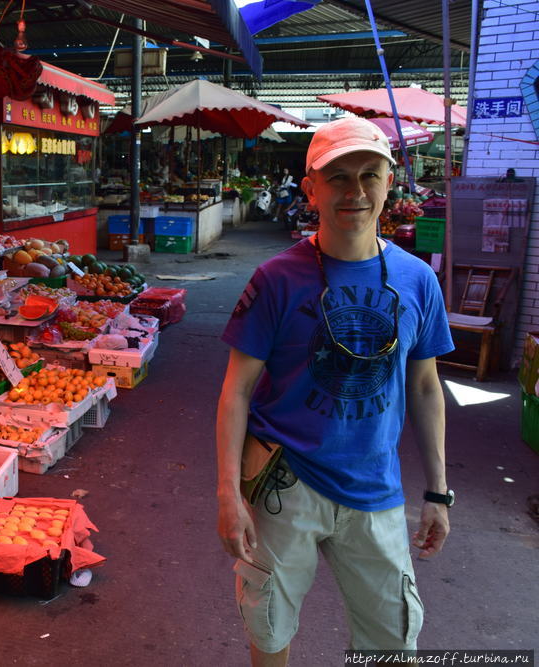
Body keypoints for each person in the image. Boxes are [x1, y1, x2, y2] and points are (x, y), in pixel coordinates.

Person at [215, 116, 454, 665]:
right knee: (269, 625)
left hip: (376, 488)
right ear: (311, 190)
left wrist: (438, 491)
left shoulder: (417, 279)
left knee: (393, 638)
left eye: (370, 175)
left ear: (390, 184)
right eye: (338, 177)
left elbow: (424, 387)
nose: (356, 192)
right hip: (284, 482)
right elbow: (236, 392)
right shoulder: (275, 279)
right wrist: (229, 494)